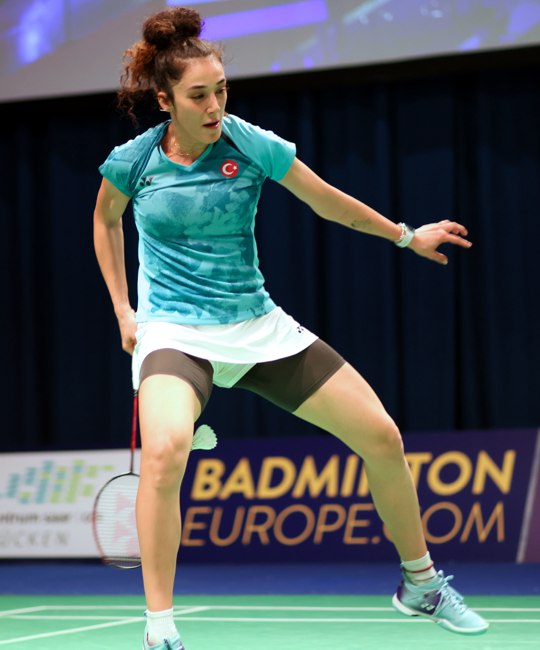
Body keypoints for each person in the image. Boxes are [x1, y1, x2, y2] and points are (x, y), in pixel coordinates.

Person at [93, 7, 489, 649]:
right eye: (199, 94)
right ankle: (160, 629)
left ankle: (420, 585)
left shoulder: (250, 144)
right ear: (165, 100)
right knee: (166, 450)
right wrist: (123, 309)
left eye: (222, 88)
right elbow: (105, 221)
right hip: (174, 331)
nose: (215, 103)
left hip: (255, 325)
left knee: (382, 436)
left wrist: (405, 234)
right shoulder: (133, 163)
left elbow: (327, 201)